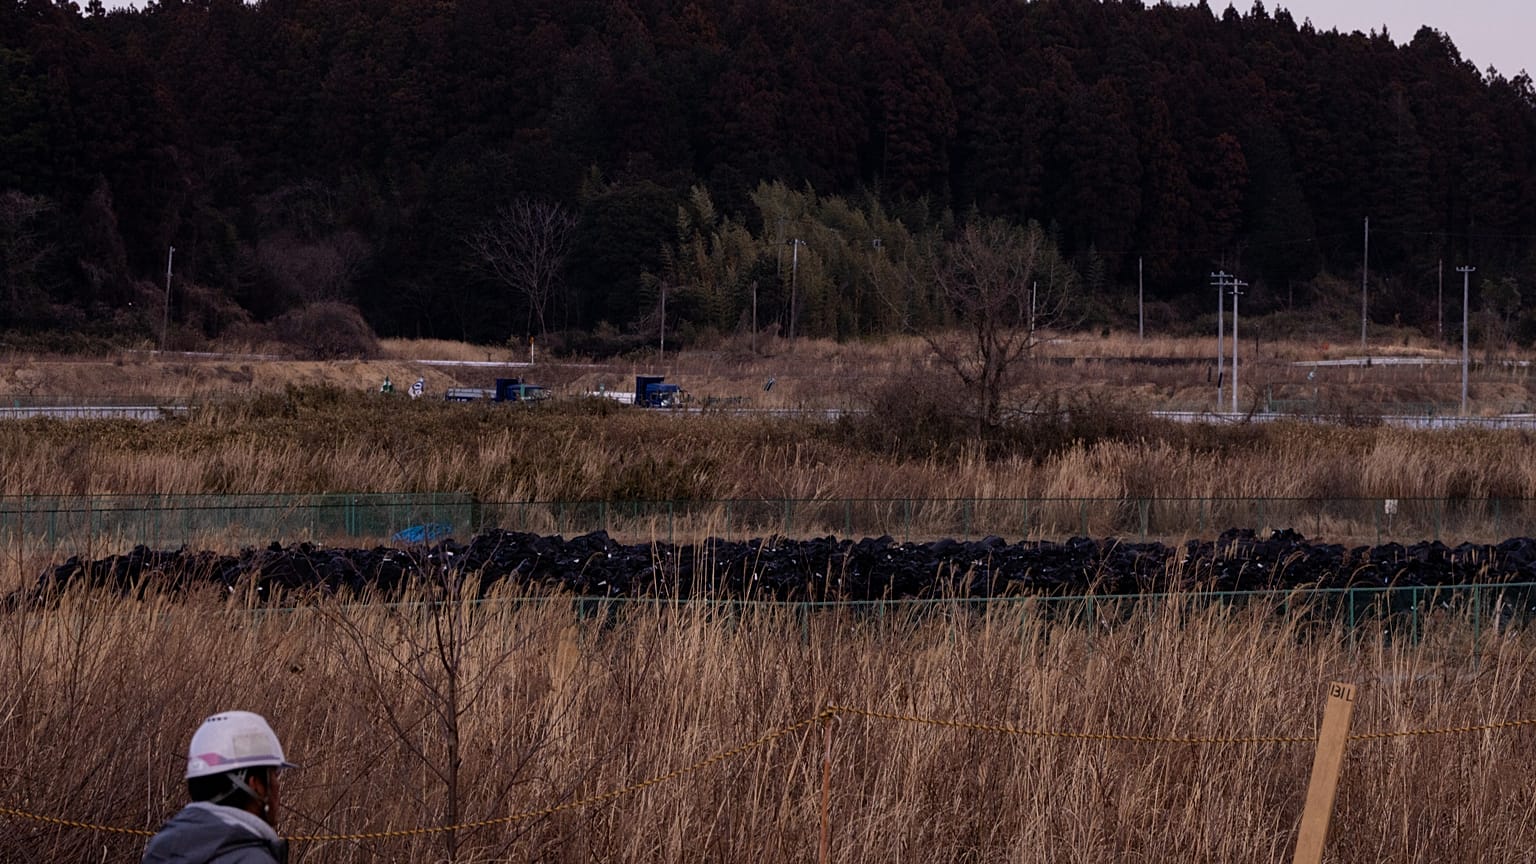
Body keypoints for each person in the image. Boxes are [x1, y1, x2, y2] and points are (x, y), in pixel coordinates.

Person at [141, 711, 297, 864]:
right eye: (274, 775)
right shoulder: (252, 859)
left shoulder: (160, 850)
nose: (277, 785)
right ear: (255, 784)